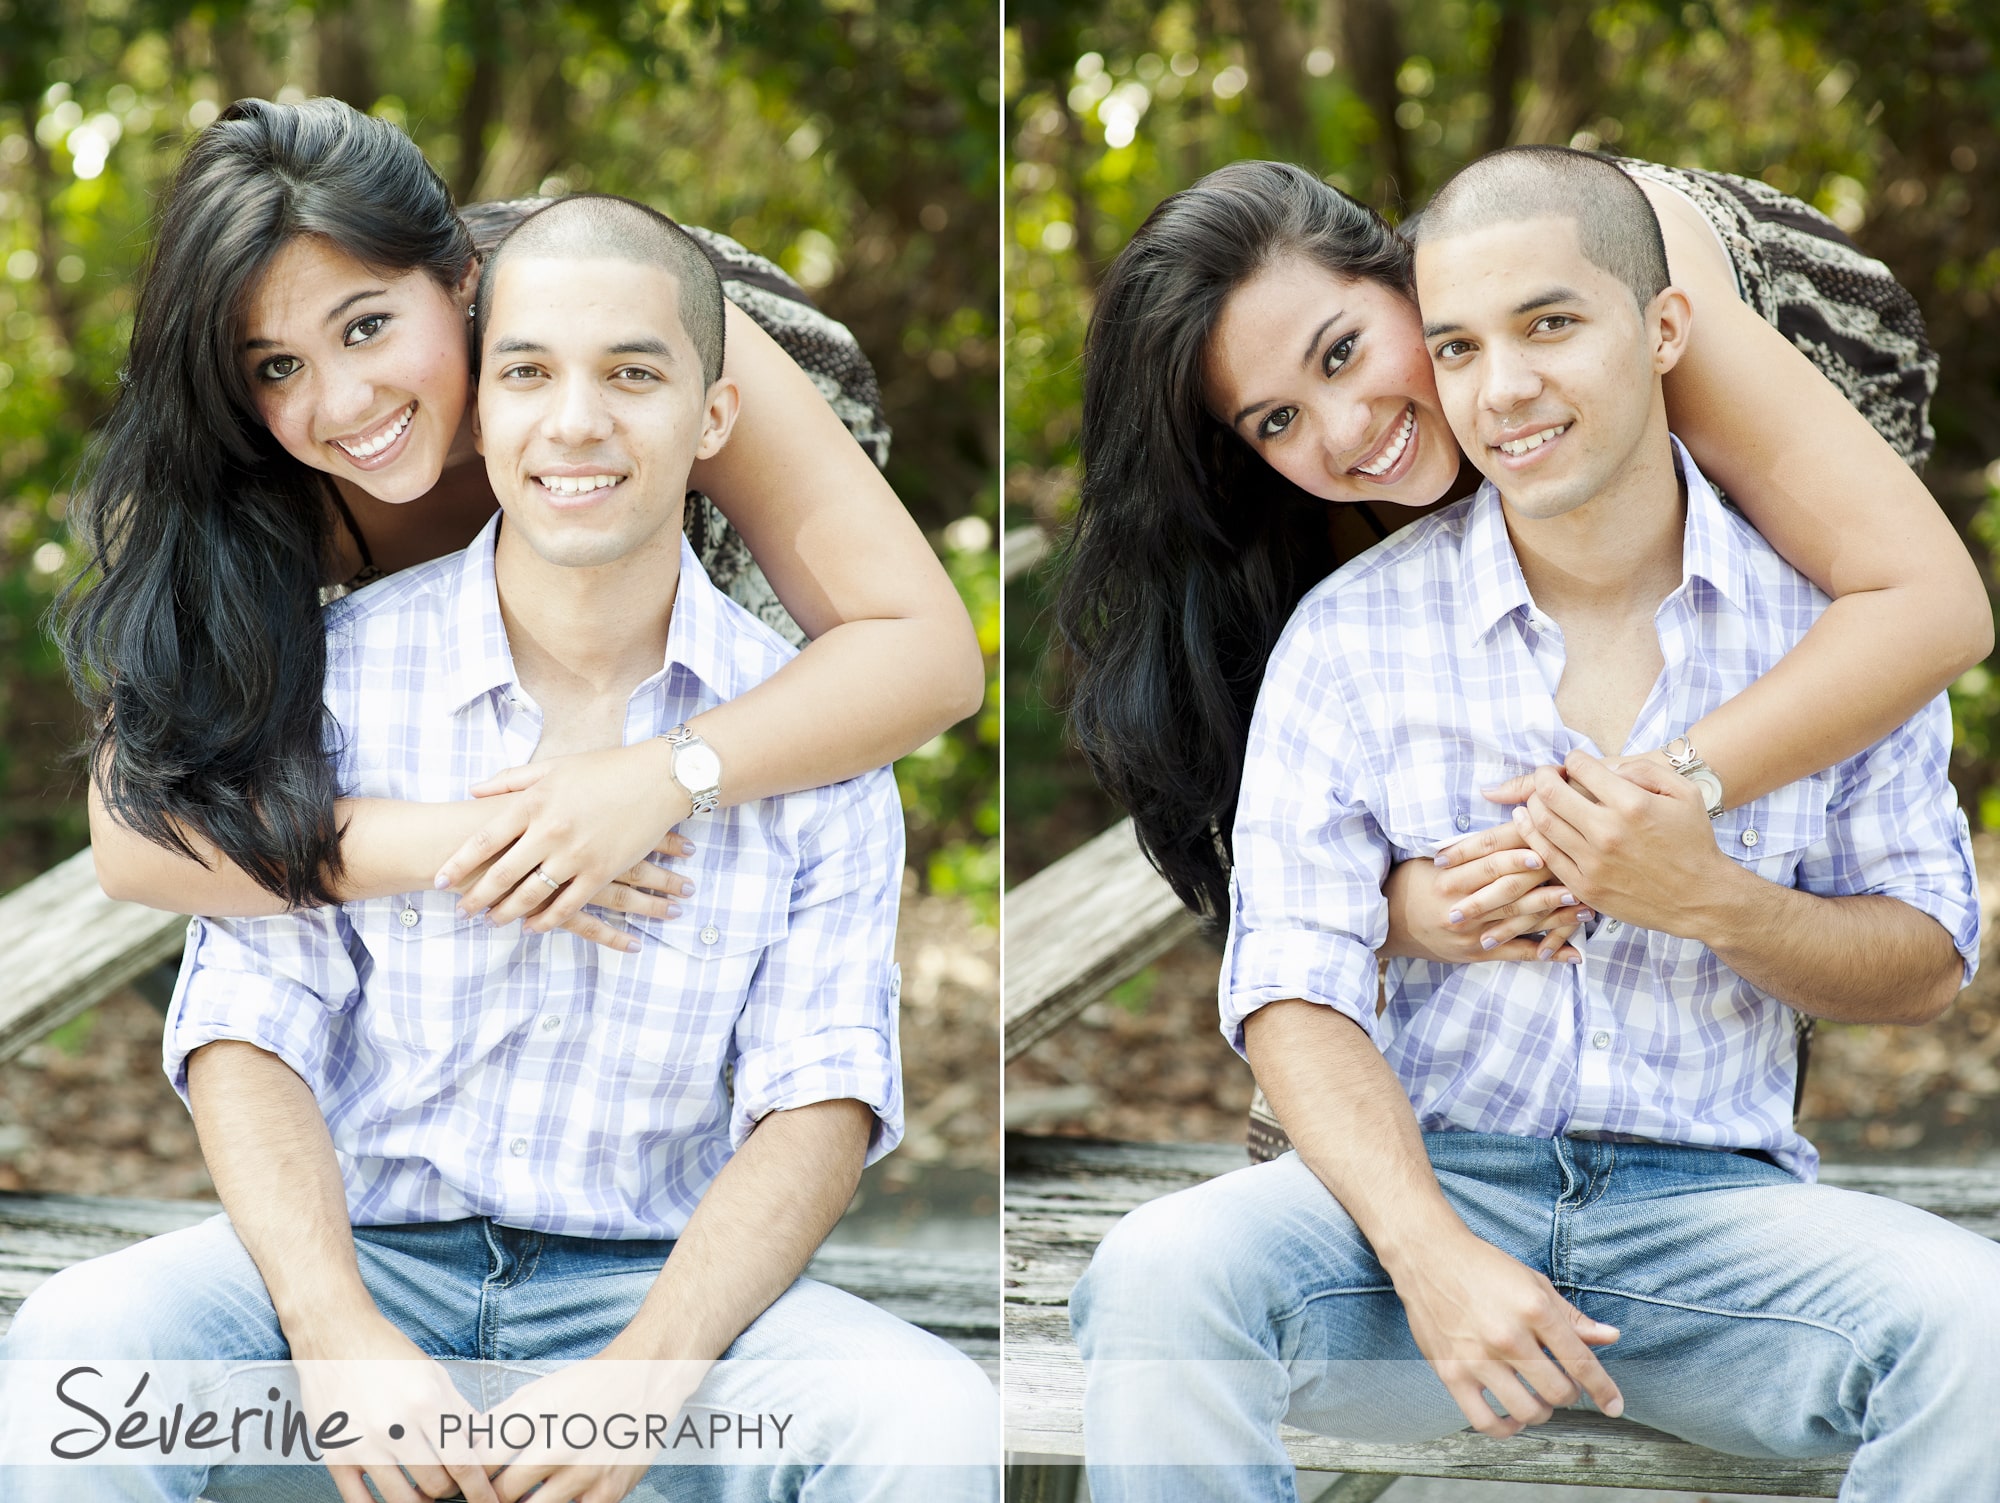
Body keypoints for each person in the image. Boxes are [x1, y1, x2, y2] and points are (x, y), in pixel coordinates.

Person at [2, 193, 997, 1503]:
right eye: (532, 373)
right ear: (489, 399)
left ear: (711, 414)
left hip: (656, 1285)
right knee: (77, 1357)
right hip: (365, 1256)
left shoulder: (807, 732)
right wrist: (334, 1324)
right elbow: (244, 1016)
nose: (576, 419)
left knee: (934, 1423)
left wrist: (655, 1361)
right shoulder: (320, 674)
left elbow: (821, 1093)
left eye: (632, 375)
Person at [1069, 146, 1997, 1503]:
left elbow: (1927, 927)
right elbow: (1288, 971)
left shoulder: (1832, 615)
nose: (1339, 432)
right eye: (1272, 420)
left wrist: (1698, 876)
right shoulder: (1348, 619)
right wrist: (1429, 1239)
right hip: (1434, 1194)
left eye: (1345, 351)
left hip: (1709, 1221)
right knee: (1160, 1275)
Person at [62, 97, 982, 948]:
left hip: (708, 487)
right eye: (276, 366)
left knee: (734, 820)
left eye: (366, 326)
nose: (342, 403)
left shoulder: (634, 342)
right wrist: (490, 840)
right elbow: (133, 833)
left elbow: (927, 656)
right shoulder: (250, 478)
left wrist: (661, 773)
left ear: (462, 278)